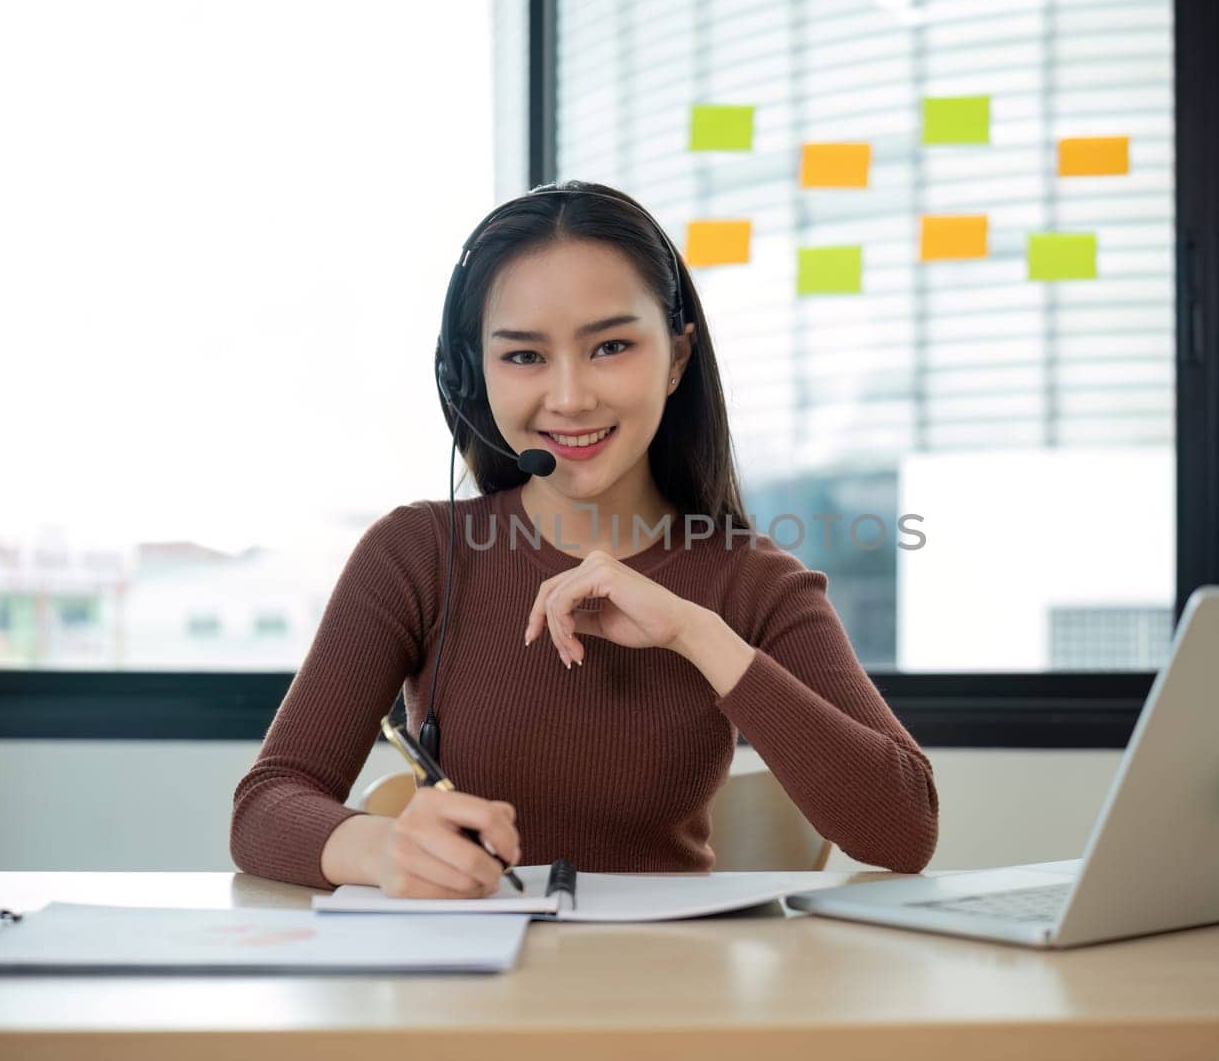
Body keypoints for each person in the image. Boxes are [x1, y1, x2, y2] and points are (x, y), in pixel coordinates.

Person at [230, 181, 939, 898]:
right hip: (464, 994)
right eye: (524, 356)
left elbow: (905, 828)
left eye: (610, 346)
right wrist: (379, 850)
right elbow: (264, 804)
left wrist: (698, 633)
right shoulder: (415, 554)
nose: (569, 397)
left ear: (676, 357)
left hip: (671, 989)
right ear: (470, 375)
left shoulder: (752, 579)